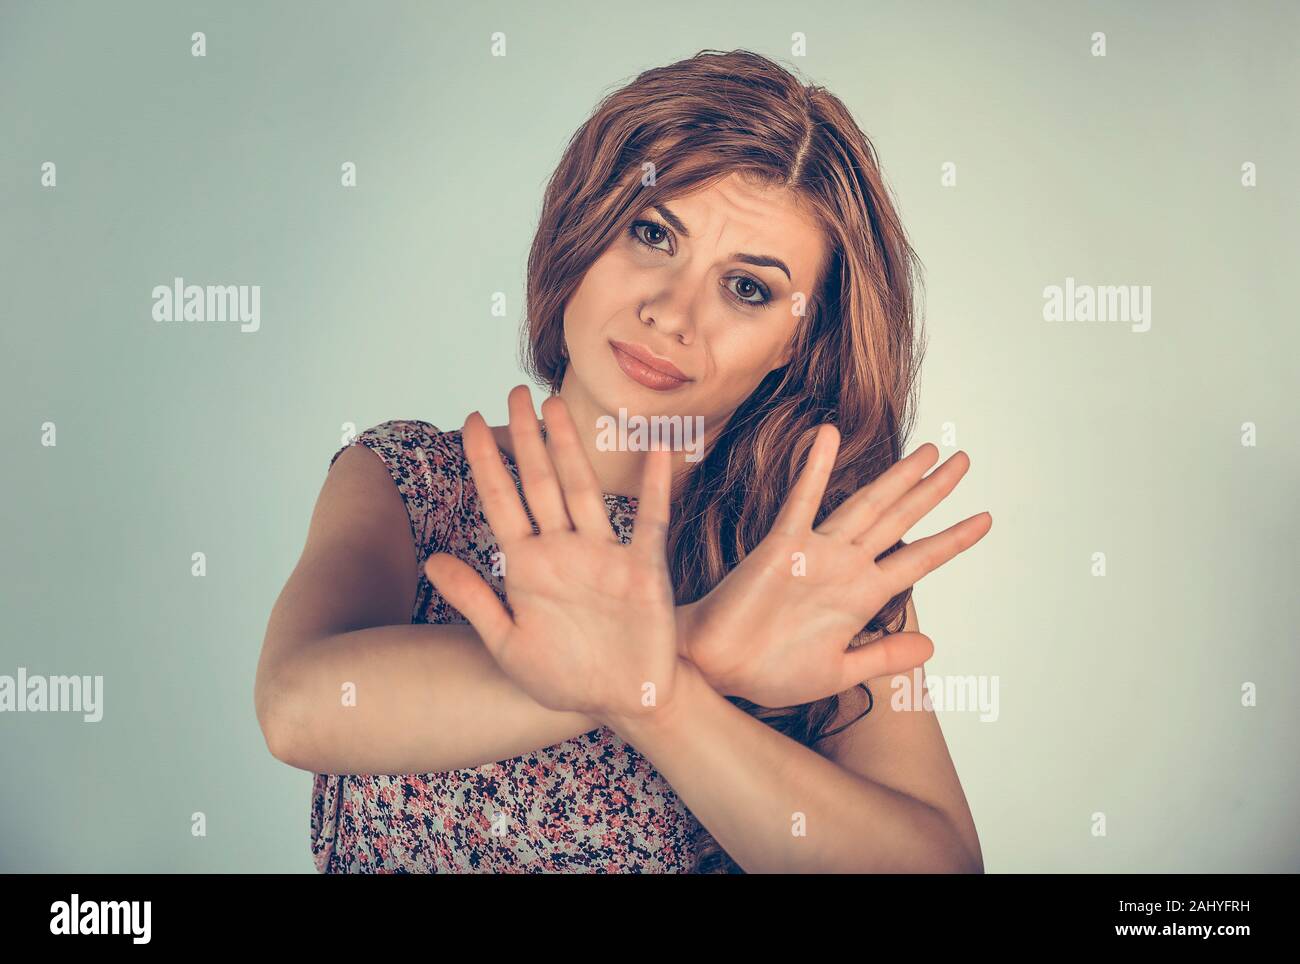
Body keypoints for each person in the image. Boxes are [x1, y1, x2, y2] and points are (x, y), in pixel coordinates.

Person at [254, 48, 991, 873]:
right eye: (652, 234)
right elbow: (299, 707)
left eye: (746, 287)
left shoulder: (808, 561)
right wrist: (698, 644)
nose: (672, 313)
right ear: (586, 224)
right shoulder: (411, 477)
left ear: (795, 343)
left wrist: (662, 697)